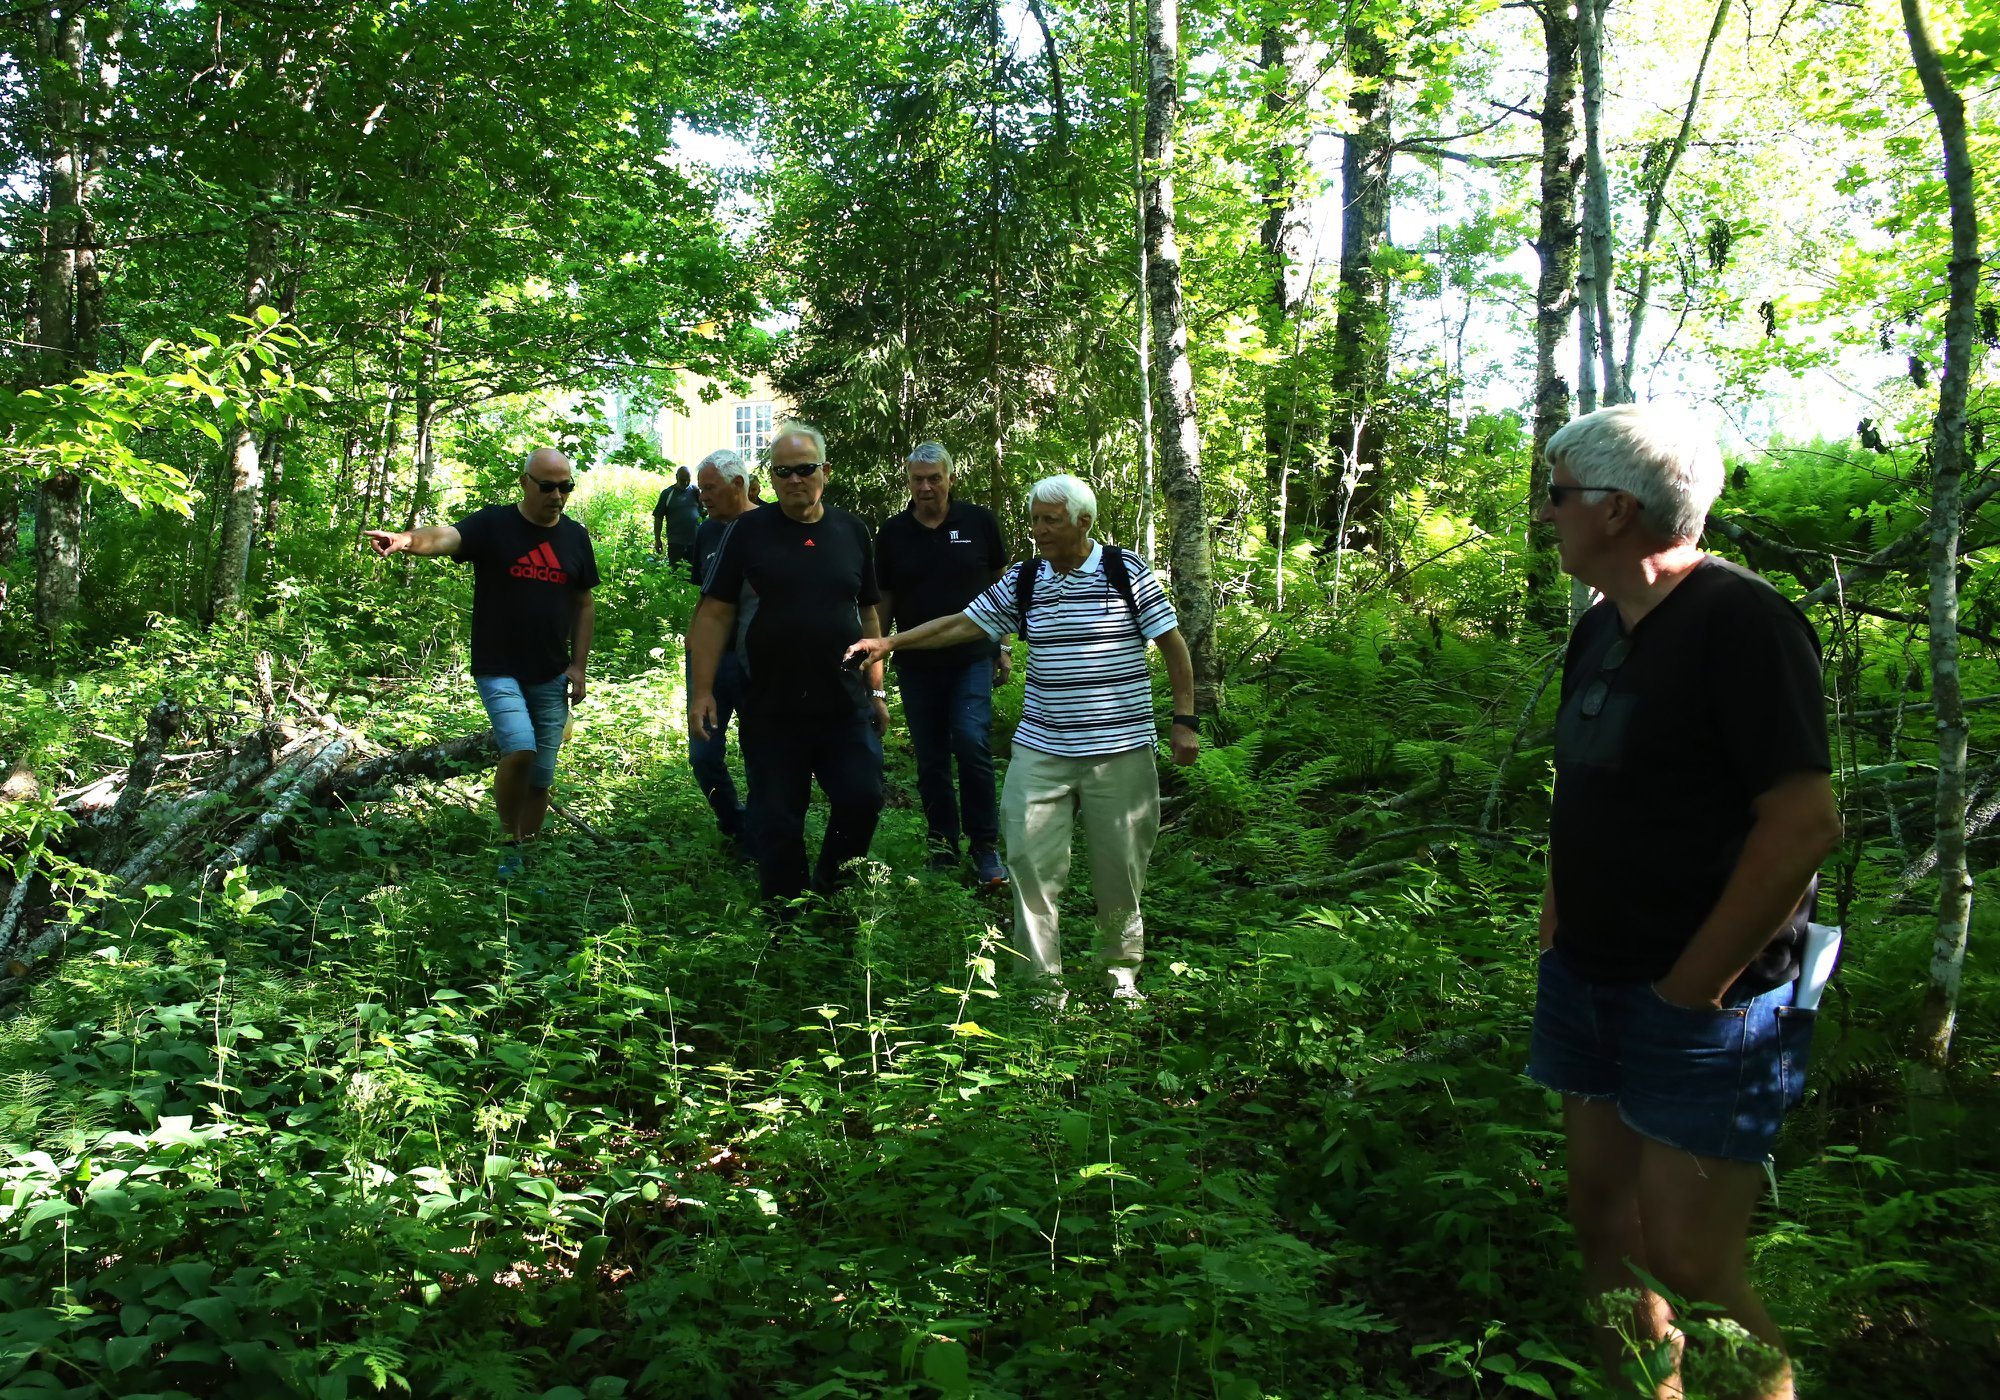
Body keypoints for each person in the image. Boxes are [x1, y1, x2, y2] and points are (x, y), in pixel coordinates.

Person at [1529, 404, 1841, 1400]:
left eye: (1557, 495)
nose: (1545, 515)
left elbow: (1800, 821)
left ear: (1614, 510)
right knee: (1603, 1223)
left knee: (1693, 1261)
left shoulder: (1742, 625)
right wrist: (1554, 918)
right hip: (1586, 979)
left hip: (1710, 1004)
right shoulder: (1601, 627)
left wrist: (1691, 984)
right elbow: (1587, 786)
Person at [845, 474, 1197, 1006]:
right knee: (1029, 865)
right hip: (1041, 750)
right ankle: (1041, 989)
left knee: (1119, 871)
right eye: (1034, 519)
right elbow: (963, 623)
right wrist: (890, 641)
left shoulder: (1125, 571)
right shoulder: (1027, 579)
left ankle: (1119, 977)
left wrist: (1184, 721)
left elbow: (1173, 645)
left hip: (1118, 751)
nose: (1038, 531)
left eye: (1050, 520)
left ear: (1084, 521)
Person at [363, 447, 599, 874]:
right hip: (499, 667)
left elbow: (583, 604)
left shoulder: (575, 536)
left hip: (550, 671)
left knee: (542, 774)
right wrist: (407, 540)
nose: (557, 496)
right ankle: (509, 839)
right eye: (548, 486)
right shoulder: (495, 524)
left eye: (565, 487)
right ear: (526, 482)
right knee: (520, 748)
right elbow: (448, 537)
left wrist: (578, 666)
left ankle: (526, 854)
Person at [687, 423, 888, 905]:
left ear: (825, 472)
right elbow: (715, 613)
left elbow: (868, 614)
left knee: (862, 799)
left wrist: (877, 690)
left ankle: (831, 893)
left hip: (843, 703)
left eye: (805, 469)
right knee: (776, 817)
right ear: (771, 479)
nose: (795, 480)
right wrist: (702, 690)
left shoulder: (852, 530)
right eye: (784, 472)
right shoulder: (747, 533)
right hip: (772, 707)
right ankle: (784, 919)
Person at [873, 442, 1010, 886]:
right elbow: (884, 601)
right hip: (917, 663)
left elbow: (999, 587)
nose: (927, 487)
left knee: (971, 742)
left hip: (972, 657)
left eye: (935, 477)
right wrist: (879, 651)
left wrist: (1003, 645)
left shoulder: (979, 523)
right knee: (930, 758)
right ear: (908, 481)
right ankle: (942, 847)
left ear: (950, 477)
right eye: (918, 479)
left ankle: (985, 847)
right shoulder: (892, 533)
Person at [687, 448, 760, 856]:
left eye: (710, 489)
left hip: (757, 662)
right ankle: (736, 823)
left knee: (759, 751)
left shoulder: (770, 525)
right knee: (703, 753)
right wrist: (694, 638)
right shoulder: (707, 531)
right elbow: (708, 595)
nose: (703, 498)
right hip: (711, 659)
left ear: (738, 485)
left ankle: (762, 831)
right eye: (700, 490)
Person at [653, 465, 703, 578]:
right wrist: (657, 539)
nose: (685, 483)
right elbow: (658, 517)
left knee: (695, 575)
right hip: (676, 542)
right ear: (676, 477)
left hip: (694, 542)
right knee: (675, 575)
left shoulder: (695, 492)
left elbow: (703, 512)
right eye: (682, 480)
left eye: (688, 480)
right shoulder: (667, 493)